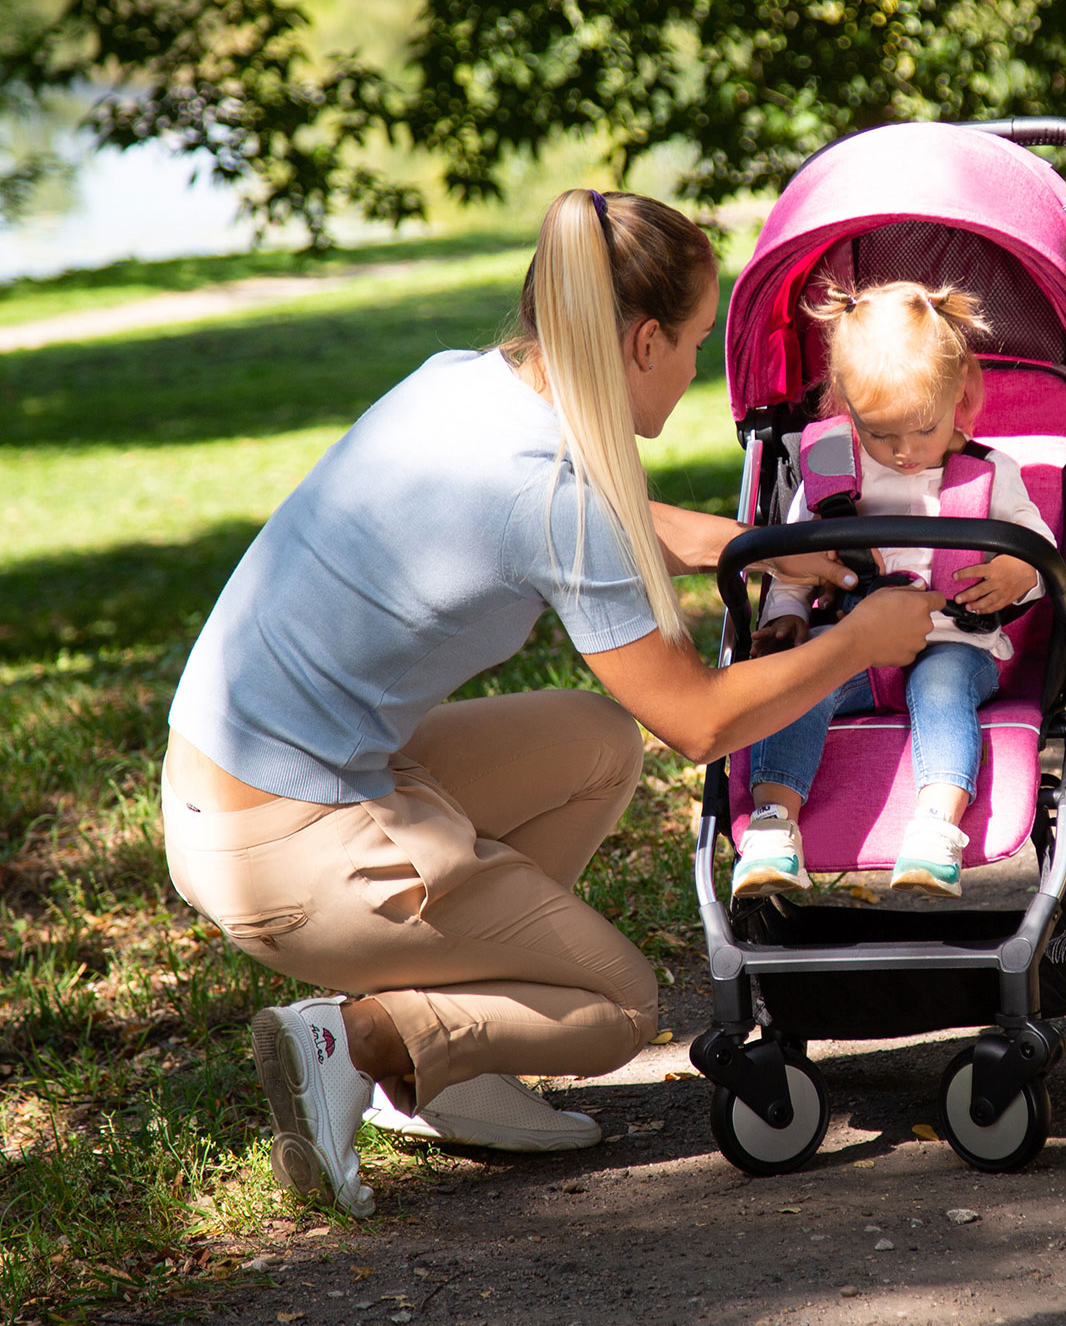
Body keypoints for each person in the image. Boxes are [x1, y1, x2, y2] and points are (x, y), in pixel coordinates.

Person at [161, 190, 944, 1217]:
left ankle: (454, 1059)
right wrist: (858, 642)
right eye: (696, 345)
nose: (698, 371)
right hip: (286, 846)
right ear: (644, 341)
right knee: (619, 1005)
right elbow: (699, 722)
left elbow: (587, 513)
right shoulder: (549, 499)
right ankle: (362, 1042)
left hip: (228, 785)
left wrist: (742, 545)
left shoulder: (464, 386)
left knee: (591, 740)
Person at [734, 280, 1055, 901]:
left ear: (959, 392)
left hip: (952, 640)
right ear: (846, 405)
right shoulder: (830, 469)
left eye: (922, 431)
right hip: (852, 637)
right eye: (881, 435)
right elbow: (797, 560)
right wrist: (787, 611)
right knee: (802, 680)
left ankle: (937, 827)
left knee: (940, 689)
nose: (905, 453)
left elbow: (1037, 548)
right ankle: (773, 826)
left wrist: (1022, 572)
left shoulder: (990, 473)